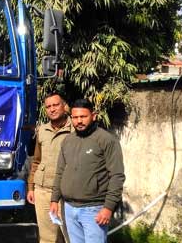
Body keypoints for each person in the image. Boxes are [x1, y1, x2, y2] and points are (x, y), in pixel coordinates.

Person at [50, 99, 125, 243]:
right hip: (70, 208)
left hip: (93, 210)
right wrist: (54, 199)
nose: (79, 121)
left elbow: (117, 176)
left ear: (94, 116)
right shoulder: (68, 141)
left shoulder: (106, 140)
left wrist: (108, 207)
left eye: (83, 117)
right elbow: (60, 172)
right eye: (75, 117)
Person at [27, 92, 72, 243]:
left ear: (64, 106)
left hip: (66, 193)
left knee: (70, 236)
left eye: (55, 105)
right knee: (47, 238)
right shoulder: (42, 130)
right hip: (43, 191)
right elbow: (36, 161)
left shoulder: (75, 130)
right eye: (48, 107)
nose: (52, 109)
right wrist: (31, 187)